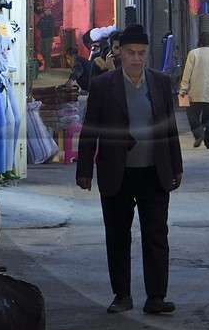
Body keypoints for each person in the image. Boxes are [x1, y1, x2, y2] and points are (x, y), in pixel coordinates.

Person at [76, 25, 184, 315]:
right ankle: (122, 295)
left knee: (156, 235)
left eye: (142, 53)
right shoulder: (103, 85)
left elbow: (169, 128)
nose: (137, 58)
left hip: (153, 172)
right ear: (119, 53)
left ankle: (156, 297)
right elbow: (90, 129)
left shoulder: (160, 83)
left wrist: (177, 165)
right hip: (117, 173)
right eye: (131, 53)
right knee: (117, 235)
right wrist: (84, 168)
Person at [178, 31, 209, 149]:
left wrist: (183, 89)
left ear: (199, 41)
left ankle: (198, 133)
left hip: (194, 93)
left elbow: (187, 73)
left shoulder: (193, 54)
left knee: (192, 115)